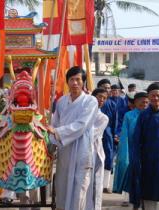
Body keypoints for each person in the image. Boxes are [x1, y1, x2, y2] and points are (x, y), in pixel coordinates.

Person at [48, 66, 98, 210]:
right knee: (62, 189)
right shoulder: (61, 101)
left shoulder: (90, 101)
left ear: (83, 82)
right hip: (65, 152)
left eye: (78, 79)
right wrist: (50, 143)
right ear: (67, 82)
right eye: (72, 79)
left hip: (82, 151)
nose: (75, 83)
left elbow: (82, 125)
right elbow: (54, 124)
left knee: (79, 192)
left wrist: (57, 132)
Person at [132, 83, 159, 209]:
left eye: (158, 95)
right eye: (153, 96)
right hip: (148, 160)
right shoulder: (143, 116)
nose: (156, 98)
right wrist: (137, 160)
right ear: (149, 97)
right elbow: (137, 140)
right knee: (150, 190)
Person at [113, 92, 149, 208]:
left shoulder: (151, 115)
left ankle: (145, 202)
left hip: (148, 152)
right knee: (133, 178)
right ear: (135, 102)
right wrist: (125, 154)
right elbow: (125, 136)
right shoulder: (129, 115)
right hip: (132, 151)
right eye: (142, 101)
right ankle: (134, 202)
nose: (144, 104)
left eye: (146, 102)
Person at [88, 88, 109, 210]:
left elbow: (92, 134)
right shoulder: (83, 112)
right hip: (81, 149)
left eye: (104, 98)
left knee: (95, 183)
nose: (101, 100)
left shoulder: (103, 117)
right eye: (99, 96)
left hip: (95, 150)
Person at [97, 79, 116, 193]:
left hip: (108, 133)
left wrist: (115, 134)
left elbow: (115, 120)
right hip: (95, 134)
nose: (107, 90)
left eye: (109, 88)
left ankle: (105, 185)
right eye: (105, 87)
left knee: (108, 157)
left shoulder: (112, 104)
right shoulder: (93, 101)